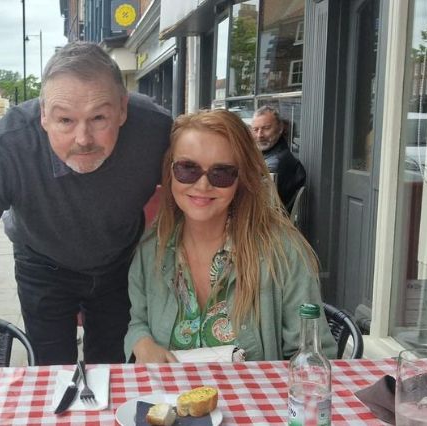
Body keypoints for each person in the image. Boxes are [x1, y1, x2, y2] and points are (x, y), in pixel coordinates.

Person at [0, 42, 172, 389]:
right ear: (43, 115)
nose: (83, 139)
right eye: (65, 120)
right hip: (43, 265)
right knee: (55, 379)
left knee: (115, 376)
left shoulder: (154, 130)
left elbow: (203, 185)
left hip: (119, 264)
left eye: (99, 118)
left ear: (123, 110)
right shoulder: (9, 146)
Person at [124, 109, 336, 363]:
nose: (203, 185)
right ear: (169, 172)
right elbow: (137, 320)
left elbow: (313, 356)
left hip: (257, 402)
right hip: (169, 401)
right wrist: (141, 342)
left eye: (221, 172)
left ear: (242, 178)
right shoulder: (151, 248)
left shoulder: (283, 252)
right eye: (187, 169)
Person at [251, 106, 306, 211]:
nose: (259, 135)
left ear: (280, 129)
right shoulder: (268, 155)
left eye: (266, 128)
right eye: (255, 129)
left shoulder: (277, 163)